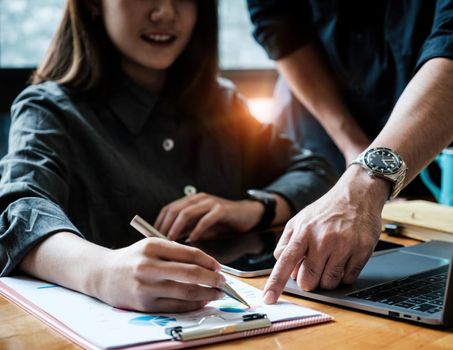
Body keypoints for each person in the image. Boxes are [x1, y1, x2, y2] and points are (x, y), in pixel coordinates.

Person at [0, 0, 336, 313]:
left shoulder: (222, 103)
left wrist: (254, 209)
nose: (165, 13)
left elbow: (316, 170)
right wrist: (101, 272)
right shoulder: (50, 110)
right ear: (92, 4)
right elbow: (20, 211)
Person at [247, 0, 453, 304]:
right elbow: (280, 29)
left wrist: (364, 181)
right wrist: (355, 155)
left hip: (431, 125)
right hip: (323, 132)